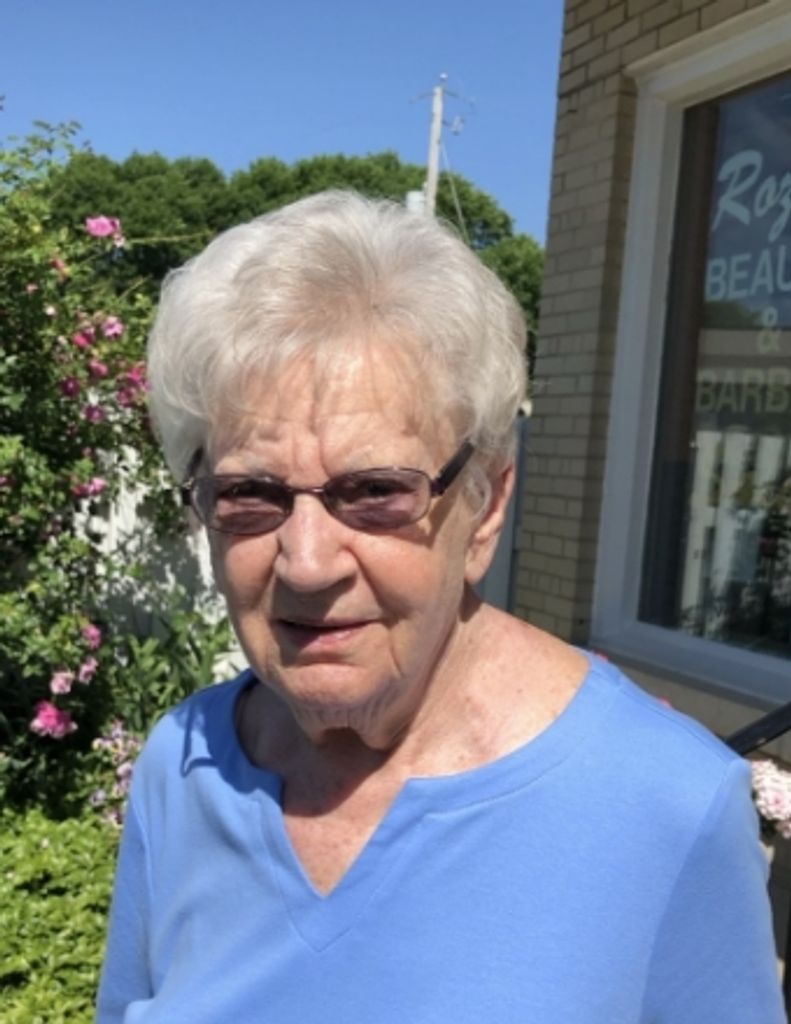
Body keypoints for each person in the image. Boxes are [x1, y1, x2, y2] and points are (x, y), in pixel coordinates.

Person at [96, 191, 785, 1023]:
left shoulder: (665, 803)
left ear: (486, 504)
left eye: (374, 491)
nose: (306, 563)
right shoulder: (184, 762)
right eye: (249, 494)